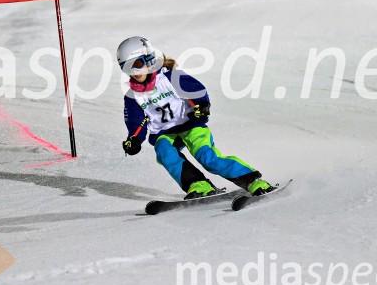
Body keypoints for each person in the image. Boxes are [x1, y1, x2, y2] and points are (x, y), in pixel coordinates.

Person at [117, 36, 275, 199]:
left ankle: (252, 180)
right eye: (127, 68)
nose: (134, 72)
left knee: (207, 157)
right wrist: (134, 139)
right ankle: (198, 185)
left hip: (190, 124)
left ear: (149, 59)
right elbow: (136, 122)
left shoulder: (170, 77)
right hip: (163, 133)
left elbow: (197, 92)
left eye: (137, 64)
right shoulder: (132, 96)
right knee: (165, 153)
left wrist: (202, 107)